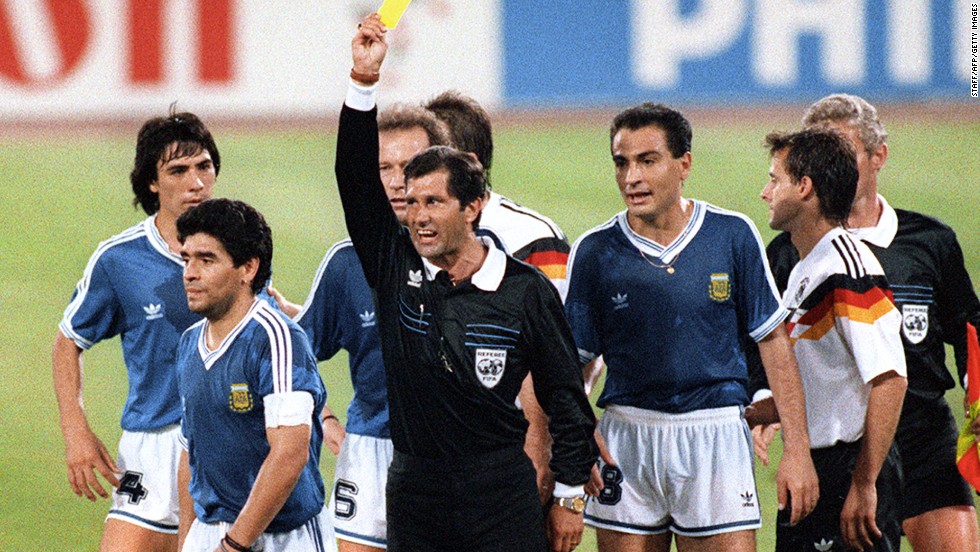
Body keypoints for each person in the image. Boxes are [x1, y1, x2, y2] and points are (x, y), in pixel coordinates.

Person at [334, 14, 599, 551]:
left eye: (434, 203)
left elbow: (568, 401)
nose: (420, 217)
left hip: (499, 493)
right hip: (415, 492)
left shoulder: (524, 290)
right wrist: (362, 83)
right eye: (411, 204)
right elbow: (354, 180)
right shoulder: (393, 268)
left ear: (473, 206)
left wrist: (570, 495)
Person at [563, 102, 819, 552]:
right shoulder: (594, 251)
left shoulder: (732, 235)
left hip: (715, 435)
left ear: (684, 164)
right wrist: (576, 442)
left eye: (647, 160)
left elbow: (775, 345)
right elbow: (573, 367)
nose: (631, 178)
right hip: (627, 439)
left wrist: (797, 452)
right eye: (621, 163)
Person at [748, 94, 980, 551]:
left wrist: (978, 399)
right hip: (836, 443)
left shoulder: (915, 246)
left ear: (878, 157)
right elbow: (769, 341)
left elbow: (964, 331)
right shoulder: (790, 254)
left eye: (842, 151)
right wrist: (764, 404)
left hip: (915, 438)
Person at [278, 104, 452, 552]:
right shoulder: (345, 262)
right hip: (369, 452)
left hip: (454, 454)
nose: (396, 181)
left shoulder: (480, 260)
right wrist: (326, 416)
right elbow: (292, 355)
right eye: (383, 167)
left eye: (409, 167)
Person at [53, 109, 220, 551]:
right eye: (178, 170)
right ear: (152, 182)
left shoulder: (241, 246)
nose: (196, 181)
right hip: (151, 445)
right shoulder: (119, 260)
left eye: (204, 166)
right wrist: (76, 432)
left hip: (222, 440)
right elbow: (68, 341)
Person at [761, 128, 908, 551]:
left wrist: (863, 484)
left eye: (775, 179)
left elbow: (890, 379)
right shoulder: (808, 267)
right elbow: (825, 384)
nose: (765, 192)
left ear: (804, 188)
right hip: (816, 467)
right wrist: (750, 413)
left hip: (846, 469)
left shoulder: (848, 269)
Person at [423, 89, 574, 501]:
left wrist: (541, 450)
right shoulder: (409, 233)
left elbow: (553, 362)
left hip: (510, 455)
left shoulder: (533, 238)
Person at [174, 198, 333, 552]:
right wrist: (187, 539)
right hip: (211, 532)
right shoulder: (188, 345)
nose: (189, 272)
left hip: (283, 537)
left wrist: (234, 544)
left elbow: (290, 452)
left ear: (247, 268)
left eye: (206, 259)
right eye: (187, 259)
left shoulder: (276, 338)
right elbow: (190, 455)